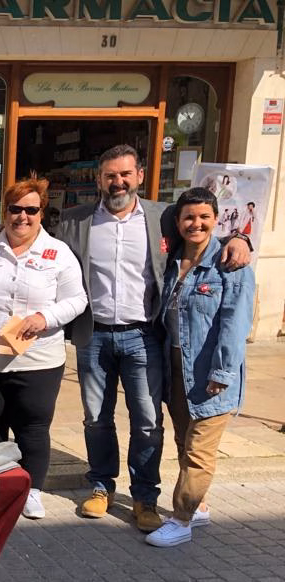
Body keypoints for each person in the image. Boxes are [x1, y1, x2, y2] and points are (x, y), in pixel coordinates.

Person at [59, 145, 251, 531]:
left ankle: (145, 497)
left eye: (125, 174)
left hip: (143, 335)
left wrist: (240, 240)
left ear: (140, 176)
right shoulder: (74, 220)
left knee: (147, 421)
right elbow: (43, 247)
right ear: (99, 179)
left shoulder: (162, 216)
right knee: (96, 418)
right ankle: (101, 486)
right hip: (93, 336)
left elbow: (201, 227)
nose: (118, 182)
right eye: (110, 175)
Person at [0, 177, 87, 520]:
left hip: (38, 360)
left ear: (42, 213)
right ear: (4, 212)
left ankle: (32, 490)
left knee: (32, 428)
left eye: (31, 210)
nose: (22, 216)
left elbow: (77, 299)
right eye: (15, 209)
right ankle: (0, 485)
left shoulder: (59, 253)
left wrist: (44, 317)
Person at [146, 188, 255, 547]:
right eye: (189, 217)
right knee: (183, 440)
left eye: (204, 217)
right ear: (178, 222)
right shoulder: (172, 261)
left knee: (199, 450)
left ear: (216, 219)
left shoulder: (231, 265)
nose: (196, 223)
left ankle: (181, 520)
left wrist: (222, 373)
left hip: (211, 371)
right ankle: (200, 505)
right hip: (177, 369)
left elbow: (235, 325)